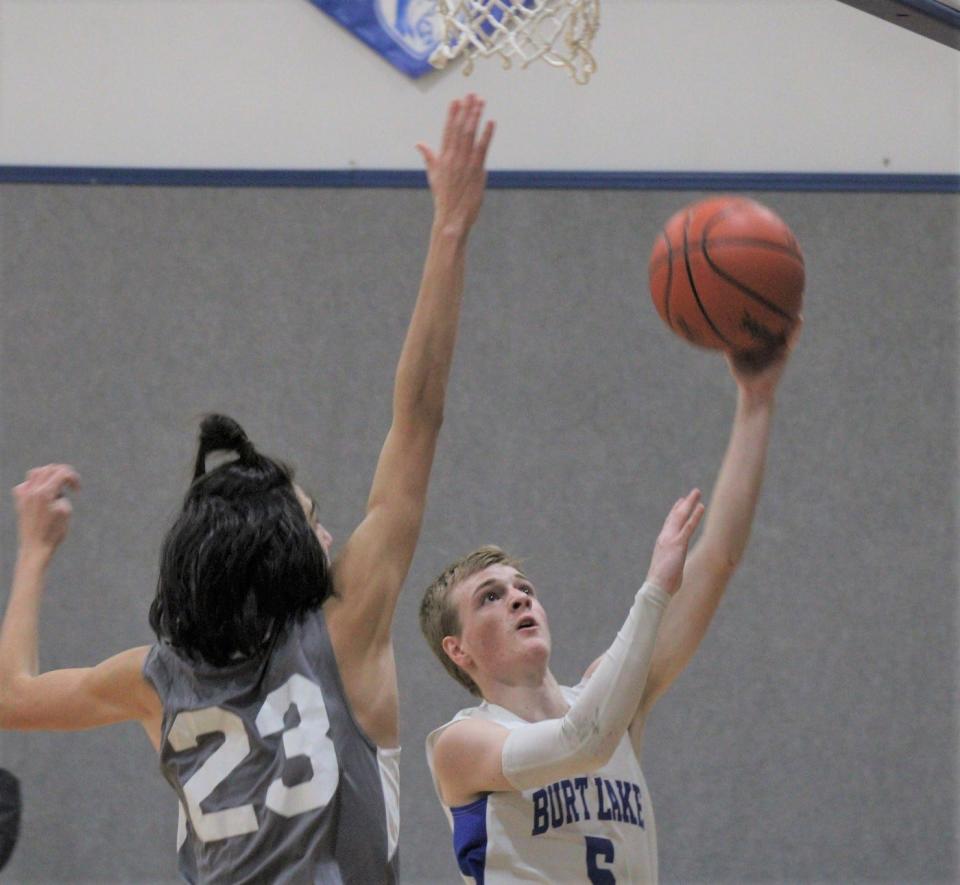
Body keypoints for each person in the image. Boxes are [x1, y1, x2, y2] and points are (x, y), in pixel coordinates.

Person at [0, 93, 495, 884]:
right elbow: (419, 417)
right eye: (313, 522)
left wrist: (32, 551)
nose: (329, 538)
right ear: (281, 553)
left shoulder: (152, 678)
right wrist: (449, 232)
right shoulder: (344, 624)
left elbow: (13, 696)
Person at [420, 334, 799, 884]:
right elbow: (583, 739)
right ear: (457, 650)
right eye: (490, 597)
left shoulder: (612, 697)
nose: (519, 597)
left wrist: (757, 401)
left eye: (522, 586)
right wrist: (653, 590)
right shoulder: (462, 745)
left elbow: (717, 558)